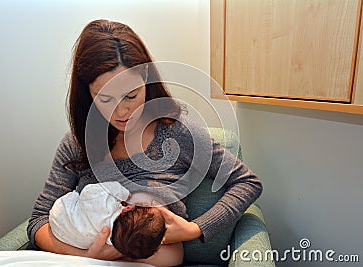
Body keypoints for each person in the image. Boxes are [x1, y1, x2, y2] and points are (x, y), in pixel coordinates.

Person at [27, 19, 263, 265]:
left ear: (146, 78)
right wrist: (89, 258)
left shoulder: (177, 133)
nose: (122, 111)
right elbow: (38, 221)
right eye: (105, 98)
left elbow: (247, 182)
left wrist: (194, 229)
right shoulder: (77, 143)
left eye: (131, 95)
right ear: (87, 91)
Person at [49, 181, 182, 264]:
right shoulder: (115, 242)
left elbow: (89, 191)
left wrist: (122, 193)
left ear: (128, 208)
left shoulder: (104, 207)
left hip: (60, 216)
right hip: (62, 232)